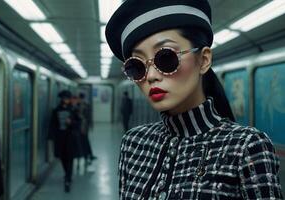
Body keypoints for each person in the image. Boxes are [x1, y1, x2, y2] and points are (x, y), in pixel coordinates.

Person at [105, 0, 283, 199]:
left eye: (166, 58)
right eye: (136, 66)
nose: (151, 76)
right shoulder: (133, 143)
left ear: (204, 60)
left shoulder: (246, 147)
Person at [49, 90, 74, 193]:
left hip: (70, 137)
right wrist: (51, 136)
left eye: (67, 98)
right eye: (64, 98)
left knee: (70, 157)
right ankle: (67, 173)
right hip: (60, 137)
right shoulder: (56, 110)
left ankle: (68, 177)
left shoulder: (73, 110)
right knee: (63, 157)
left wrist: (71, 122)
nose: (66, 100)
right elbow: (53, 124)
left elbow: (77, 123)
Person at [78, 93, 96, 164]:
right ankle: (88, 155)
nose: (81, 100)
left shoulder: (86, 106)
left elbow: (88, 116)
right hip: (79, 127)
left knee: (85, 141)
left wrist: (90, 124)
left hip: (84, 126)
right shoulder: (77, 105)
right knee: (84, 141)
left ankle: (88, 155)